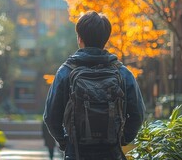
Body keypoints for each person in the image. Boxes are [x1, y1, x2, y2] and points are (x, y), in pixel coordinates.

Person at [43, 11, 145, 160]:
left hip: (76, 153)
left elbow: (50, 117)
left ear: (80, 38)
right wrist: (122, 139)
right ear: (106, 38)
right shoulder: (122, 72)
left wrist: (66, 142)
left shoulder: (66, 71)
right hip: (112, 153)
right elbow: (138, 114)